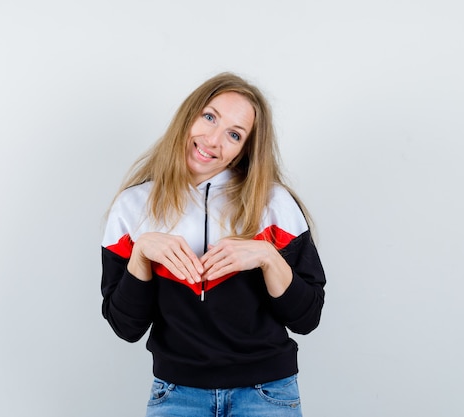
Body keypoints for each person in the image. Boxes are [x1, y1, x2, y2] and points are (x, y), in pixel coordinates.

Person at [101, 72, 326, 417]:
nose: (213, 140)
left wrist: (267, 257)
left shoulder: (274, 204)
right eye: (209, 117)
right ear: (188, 115)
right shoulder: (132, 207)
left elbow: (306, 318)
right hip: (176, 395)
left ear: (243, 150)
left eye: (234, 135)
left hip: (267, 394)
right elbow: (125, 326)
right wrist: (141, 254)